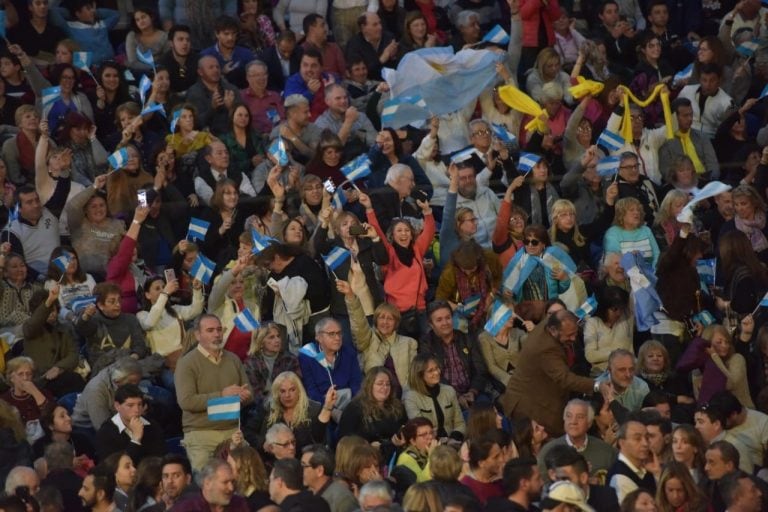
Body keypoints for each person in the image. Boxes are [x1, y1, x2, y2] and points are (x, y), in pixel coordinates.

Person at [501, 310, 611, 436]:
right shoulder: (545, 348)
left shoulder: (551, 323)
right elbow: (565, 378)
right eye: (569, 335)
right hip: (528, 404)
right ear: (553, 330)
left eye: (575, 333)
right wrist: (597, 385)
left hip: (542, 393)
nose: (574, 338)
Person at [174, 314, 253, 471]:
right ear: (198, 335)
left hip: (233, 432)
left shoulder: (233, 359)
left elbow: (248, 391)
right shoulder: (186, 363)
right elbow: (187, 401)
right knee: (206, 483)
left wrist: (245, 395)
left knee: (249, 474)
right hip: (201, 434)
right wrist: (222, 395)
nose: (216, 334)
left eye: (219, 330)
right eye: (210, 330)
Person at [419, 300, 492, 408]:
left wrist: (473, 391)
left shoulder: (466, 338)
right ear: (431, 324)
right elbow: (432, 376)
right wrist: (456, 396)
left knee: (486, 411)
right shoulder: (427, 344)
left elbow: (480, 369)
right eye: (439, 320)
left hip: (473, 392)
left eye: (448, 318)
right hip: (444, 395)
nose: (445, 323)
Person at [536, 399, 618, 483]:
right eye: (569, 416)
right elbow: (542, 488)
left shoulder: (606, 451)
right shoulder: (548, 451)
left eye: (580, 417)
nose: (573, 421)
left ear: (589, 423)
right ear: (564, 420)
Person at [255, 371, 334, 453]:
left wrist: (327, 407)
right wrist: (262, 444)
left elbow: (320, 440)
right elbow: (249, 432)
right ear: (277, 393)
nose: (287, 395)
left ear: (299, 391)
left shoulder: (314, 409)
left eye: (292, 390)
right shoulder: (268, 409)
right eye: (282, 391)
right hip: (273, 461)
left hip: (305, 461)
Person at [337, 367, 407, 454]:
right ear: (369, 386)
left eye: (387, 384)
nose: (384, 387)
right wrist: (368, 447)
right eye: (380, 384)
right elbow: (345, 441)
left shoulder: (398, 407)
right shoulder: (354, 408)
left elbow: (404, 427)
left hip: (394, 454)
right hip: (362, 456)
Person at [94, 384, 165, 464]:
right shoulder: (105, 433)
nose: (137, 410)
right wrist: (136, 439)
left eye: (139, 404)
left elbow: (160, 458)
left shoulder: (152, 426)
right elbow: (115, 468)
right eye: (130, 405)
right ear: (117, 406)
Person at [403, 354, 466, 441]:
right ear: (420, 375)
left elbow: (460, 423)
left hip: (453, 440)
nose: (437, 372)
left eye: (437, 368)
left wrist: (454, 438)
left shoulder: (449, 390)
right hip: (428, 443)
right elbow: (419, 431)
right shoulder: (411, 397)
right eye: (430, 371)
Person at [658, 98, 719, 182]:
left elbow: (713, 164)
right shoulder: (665, 141)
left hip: (706, 182)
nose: (690, 119)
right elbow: (666, 172)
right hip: (680, 186)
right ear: (674, 117)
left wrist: (712, 180)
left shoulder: (702, 137)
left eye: (691, 114)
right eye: (685, 116)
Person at [542, 445, 620, 511]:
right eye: (557, 479)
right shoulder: (552, 498)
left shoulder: (606, 497)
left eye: (565, 479)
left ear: (583, 478)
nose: (560, 485)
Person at [606, 419, 659, 504]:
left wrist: (657, 473)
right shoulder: (620, 477)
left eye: (647, 438)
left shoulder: (648, 468)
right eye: (638, 439)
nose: (645, 443)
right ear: (622, 443)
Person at [185, 55, 240, 136]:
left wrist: (231, 109)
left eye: (217, 67)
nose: (216, 70)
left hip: (232, 134)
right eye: (211, 67)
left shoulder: (231, 89)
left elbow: (244, 117)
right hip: (208, 138)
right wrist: (212, 109)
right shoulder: (194, 93)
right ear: (200, 72)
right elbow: (195, 124)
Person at [170, 458, 250, 511]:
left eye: (232, 482)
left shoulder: (238, 503)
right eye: (225, 482)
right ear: (207, 483)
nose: (231, 488)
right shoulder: (186, 508)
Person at [694, 403, 753, 474]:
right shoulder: (699, 446)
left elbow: (744, 479)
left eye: (701, 422)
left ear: (716, 425)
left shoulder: (736, 446)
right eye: (695, 422)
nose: (696, 427)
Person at [300, 445, 357, 512]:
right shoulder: (306, 495)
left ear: (319, 471)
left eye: (304, 466)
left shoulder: (342, 499)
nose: (300, 470)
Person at [344, 13, 397, 81]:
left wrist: (393, 58)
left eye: (380, 23)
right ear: (363, 28)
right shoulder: (354, 44)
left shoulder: (389, 38)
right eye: (375, 25)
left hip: (389, 82)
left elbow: (395, 67)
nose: (380, 27)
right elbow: (359, 73)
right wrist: (381, 60)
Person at [459, 430, 505, 505]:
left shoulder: (503, 480)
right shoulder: (466, 489)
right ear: (481, 463)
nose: (502, 459)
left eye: (501, 454)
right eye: (496, 457)